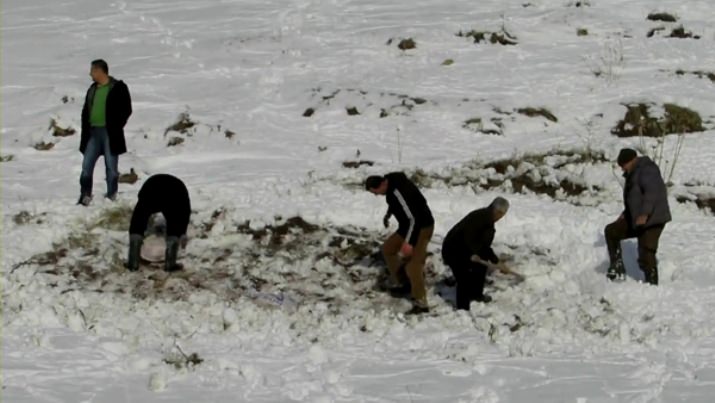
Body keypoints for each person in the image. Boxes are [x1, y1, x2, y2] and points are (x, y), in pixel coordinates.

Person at [366, 173, 435, 314]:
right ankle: (405, 283)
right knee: (388, 249)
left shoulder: (399, 191)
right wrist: (389, 214)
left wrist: (408, 242)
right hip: (407, 226)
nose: (376, 195)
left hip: (422, 227)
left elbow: (413, 219)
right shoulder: (391, 186)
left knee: (414, 265)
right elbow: (397, 204)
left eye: (375, 192)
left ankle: (421, 303)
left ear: (381, 185)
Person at [604, 148, 671, 285]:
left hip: (653, 218)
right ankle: (617, 268)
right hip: (638, 218)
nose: (623, 169)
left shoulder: (647, 170)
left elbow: (651, 193)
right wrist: (625, 214)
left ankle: (652, 284)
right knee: (612, 231)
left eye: (623, 166)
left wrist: (645, 213)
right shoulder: (634, 173)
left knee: (646, 252)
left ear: (630, 160)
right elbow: (635, 199)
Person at [78, 59, 132, 206]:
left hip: (110, 133)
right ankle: (85, 195)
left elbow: (127, 109)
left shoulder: (118, 87)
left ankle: (112, 195)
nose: (90, 74)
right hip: (93, 133)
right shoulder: (92, 89)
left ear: (100, 71)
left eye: (92, 71)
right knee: (86, 166)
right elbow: (85, 111)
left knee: (111, 167)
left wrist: (116, 125)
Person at [442, 197, 509, 311]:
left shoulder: (486, 219)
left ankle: (476, 294)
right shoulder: (481, 218)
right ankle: (463, 309)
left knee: (481, 265)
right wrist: (496, 261)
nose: (500, 218)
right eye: (501, 214)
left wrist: (493, 260)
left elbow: (482, 246)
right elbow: (474, 242)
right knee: (464, 277)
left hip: (465, 248)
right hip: (453, 251)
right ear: (497, 211)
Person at [126, 174, 191, 272]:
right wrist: (181, 232)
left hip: (151, 188)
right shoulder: (182, 198)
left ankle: (133, 263)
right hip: (174, 192)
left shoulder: (147, 191)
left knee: (137, 223)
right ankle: (170, 264)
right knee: (175, 226)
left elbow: (141, 199)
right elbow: (183, 217)